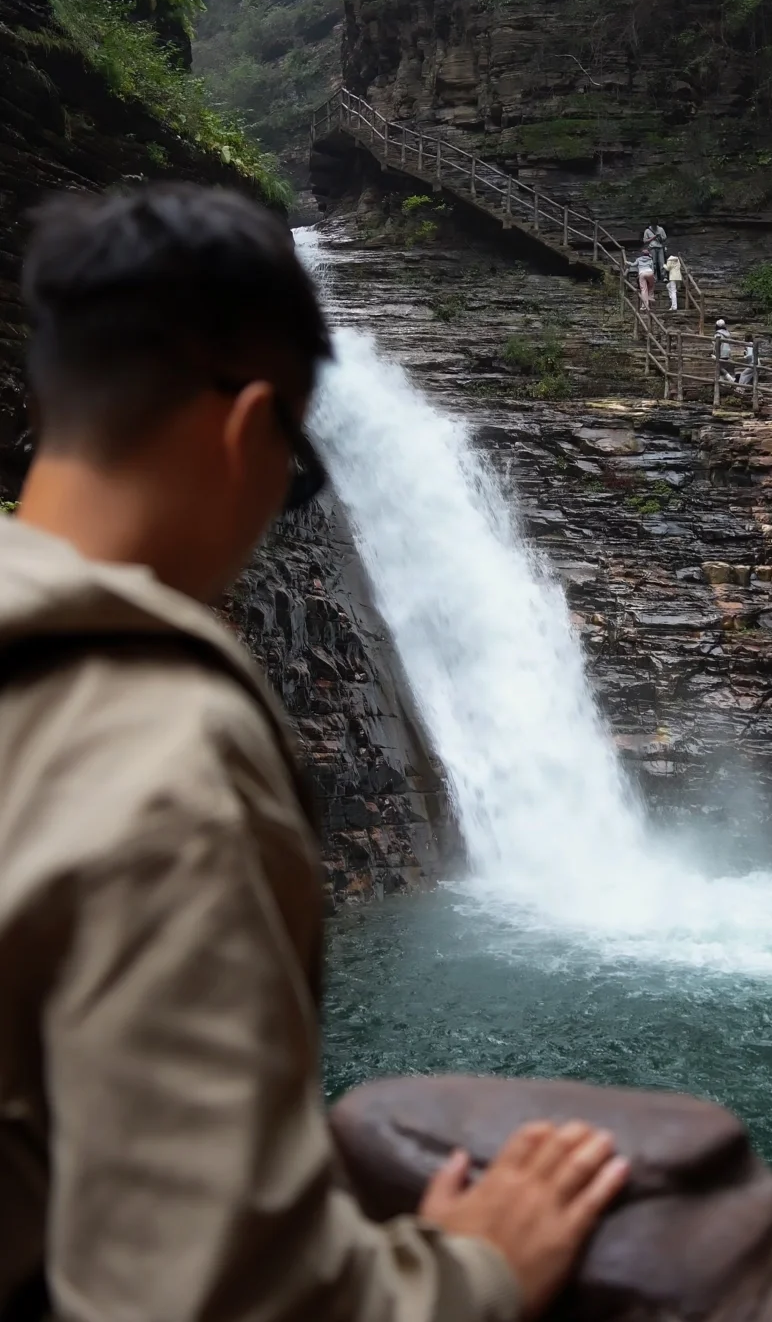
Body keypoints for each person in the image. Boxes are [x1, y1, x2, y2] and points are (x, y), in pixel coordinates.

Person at [0, 185, 629, 1322]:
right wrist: (478, 1270)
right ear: (247, 430)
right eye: (301, 474)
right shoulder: (157, 751)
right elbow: (215, 1297)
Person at [713, 318, 735, 382]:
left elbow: (716, 345)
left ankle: (728, 378)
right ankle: (724, 380)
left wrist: (716, 353)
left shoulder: (718, 335)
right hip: (728, 352)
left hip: (721, 352)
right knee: (724, 366)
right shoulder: (727, 334)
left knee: (719, 366)